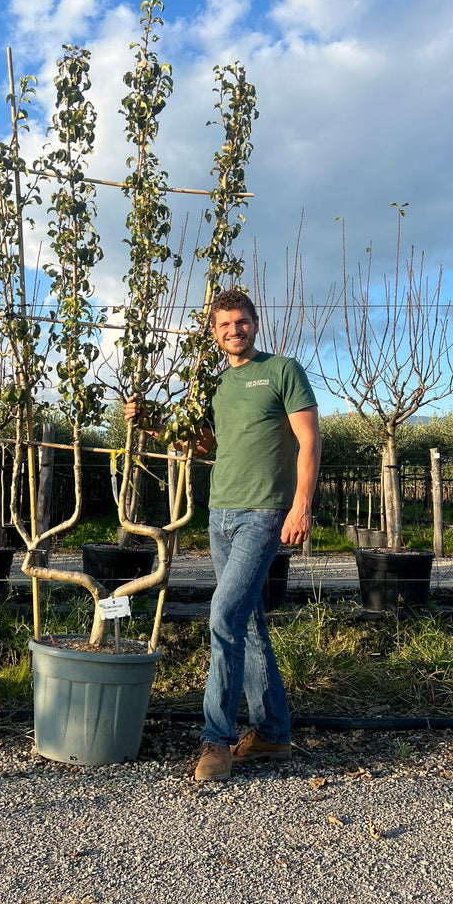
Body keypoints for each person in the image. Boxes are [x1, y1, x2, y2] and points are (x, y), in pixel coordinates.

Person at [126, 288, 321, 782]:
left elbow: (309, 440)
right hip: (220, 513)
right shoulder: (216, 385)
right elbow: (207, 442)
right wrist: (152, 425)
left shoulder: (282, 371)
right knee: (247, 623)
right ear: (214, 333)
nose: (235, 330)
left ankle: (216, 740)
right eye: (225, 325)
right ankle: (273, 733)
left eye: (242, 321)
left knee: (224, 615)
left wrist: (300, 506)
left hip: (264, 513)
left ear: (255, 322)